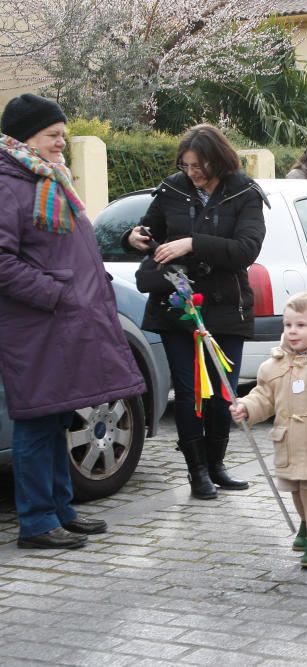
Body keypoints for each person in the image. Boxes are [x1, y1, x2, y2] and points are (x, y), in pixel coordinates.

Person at [0, 94, 146, 549]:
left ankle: (62, 509)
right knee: (37, 424)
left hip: (65, 324)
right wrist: (57, 294)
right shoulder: (10, 183)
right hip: (37, 325)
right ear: (25, 138)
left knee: (61, 418)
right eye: (53, 135)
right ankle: (38, 522)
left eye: (63, 134)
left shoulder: (47, 178)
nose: (62, 142)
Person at [124, 123, 266, 500]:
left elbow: (246, 249)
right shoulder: (172, 188)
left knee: (223, 392)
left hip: (225, 307)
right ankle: (197, 472)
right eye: (186, 166)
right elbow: (147, 231)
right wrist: (134, 237)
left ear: (218, 159)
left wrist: (191, 243)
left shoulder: (245, 192)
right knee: (188, 394)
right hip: (177, 305)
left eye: (199, 165)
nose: (192, 173)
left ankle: (217, 465)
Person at [230, 292, 307, 569]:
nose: (293, 331)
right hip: (289, 442)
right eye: (288, 325)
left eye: (301, 325)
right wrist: (247, 407)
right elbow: (264, 397)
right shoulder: (274, 364)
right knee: (295, 491)